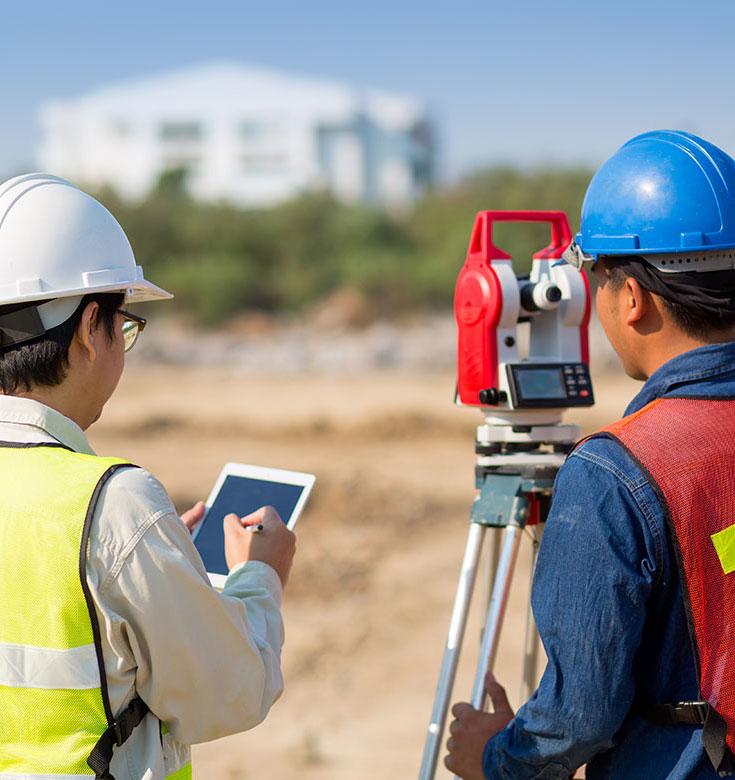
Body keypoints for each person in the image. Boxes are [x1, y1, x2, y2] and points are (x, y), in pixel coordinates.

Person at [444, 130, 735, 779]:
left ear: (631, 298)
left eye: (596, 278)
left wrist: (494, 759)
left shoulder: (616, 472)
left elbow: (578, 716)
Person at [0, 174, 296, 779]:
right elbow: (227, 695)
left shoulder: (115, 521)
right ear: (91, 328)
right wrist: (259, 577)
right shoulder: (114, 506)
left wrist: (141, 558)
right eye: (125, 326)